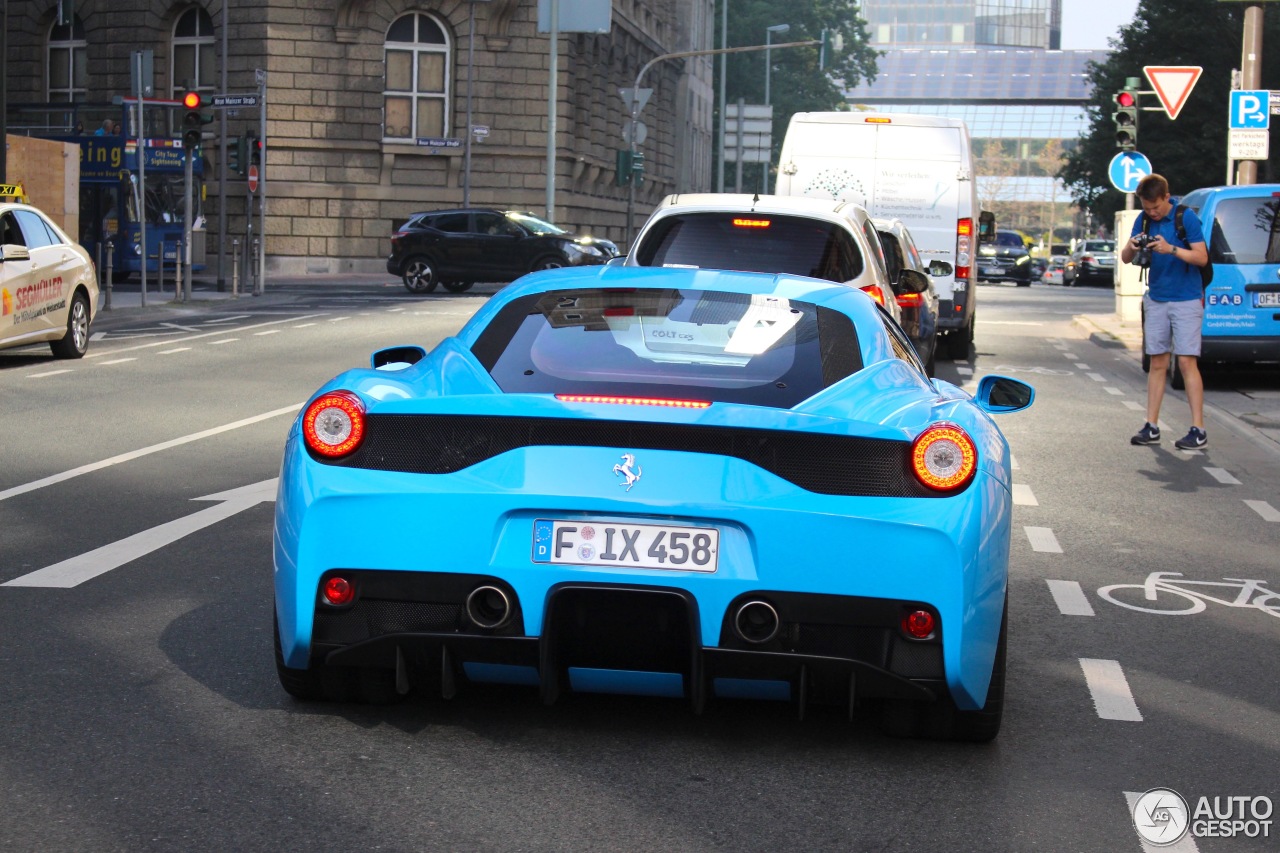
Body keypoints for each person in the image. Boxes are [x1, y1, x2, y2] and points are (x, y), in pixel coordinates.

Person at [1121, 173, 1210, 450]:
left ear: (1166, 198)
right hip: (1156, 298)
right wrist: (1132, 246)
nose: (1152, 213)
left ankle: (1198, 429)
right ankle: (1151, 425)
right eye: (1147, 208)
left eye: (1155, 207)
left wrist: (1171, 249)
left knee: (1186, 363)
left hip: (1186, 299)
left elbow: (1201, 257)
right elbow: (1126, 258)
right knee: (1157, 362)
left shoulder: (1187, 218)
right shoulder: (1144, 220)